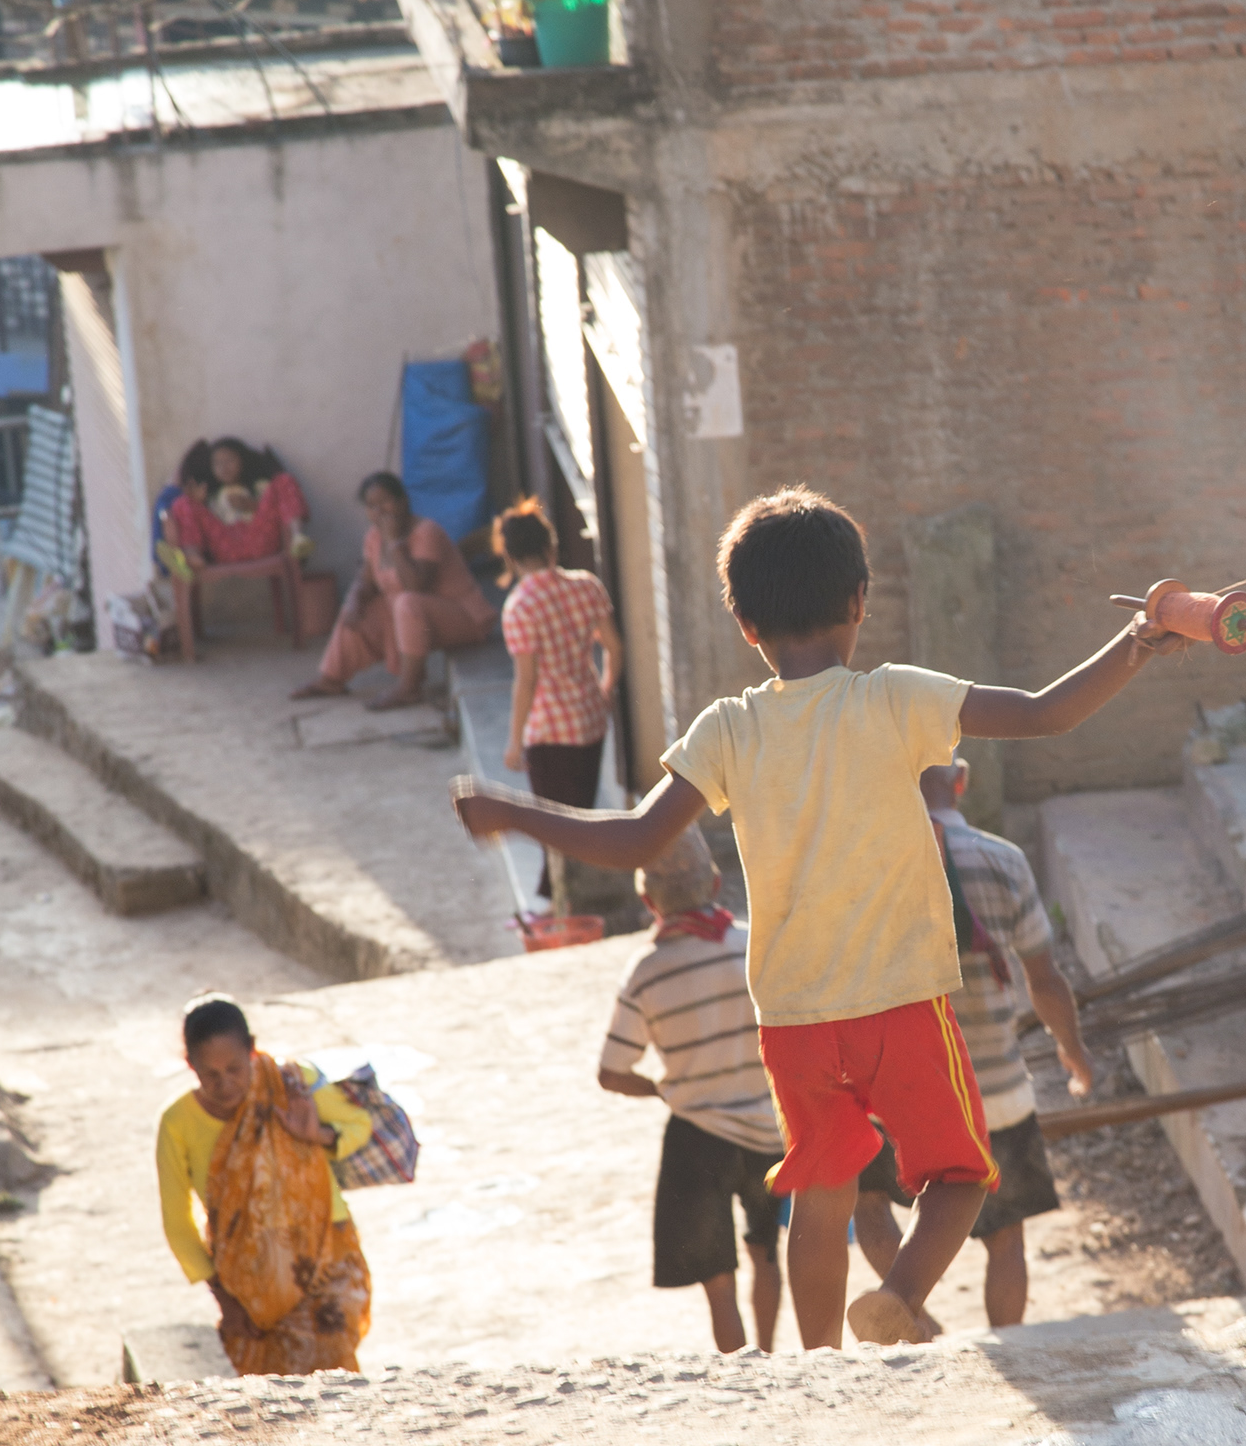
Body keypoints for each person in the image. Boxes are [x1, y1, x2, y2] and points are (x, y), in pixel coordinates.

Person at [452, 483, 1183, 1351]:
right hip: (902, 1003)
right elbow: (1044, 713)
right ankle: (900, 1294)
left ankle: (818, 1364)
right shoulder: (895, 699)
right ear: (860, 603)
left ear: (746, 627)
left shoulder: (728, 728)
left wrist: (514, 812)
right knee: (960, 1175)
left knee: (821, 1188)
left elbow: (637, 837)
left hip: (795, 1019)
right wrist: (1140, 639)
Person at [855, 758, 1092, 1329]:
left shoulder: (873, 864)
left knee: (869, 1205)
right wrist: (1074, 1052)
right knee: (1005, 1236)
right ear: (960, 782)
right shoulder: (1004, 860)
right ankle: (1007, 1340)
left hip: (899, 1090)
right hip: (996, 1091)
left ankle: (916, 1319)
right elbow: (1044, 979)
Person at [596, 824, 784, 1354]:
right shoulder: (754, 947)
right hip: (771, 1127)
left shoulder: (646, 973)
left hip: (696, 1137)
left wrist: (661, 1089)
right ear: (717, 881)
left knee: (716, 1283)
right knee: (766, 1254)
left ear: (646, 899)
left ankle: (740, 1373)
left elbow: (611, 1072)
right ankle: (770, 1355)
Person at [156, 993, 374, 1376]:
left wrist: (317, 1133)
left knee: (333, 1364)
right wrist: (225, 1299)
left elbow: (360, 1126)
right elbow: (178, 1223)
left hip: (327, 1252)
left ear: (253, 1050)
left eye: (235, 1069)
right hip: (247, 1280)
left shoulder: (291, 1085)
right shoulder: (178, 1123)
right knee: (268, 1387)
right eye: (211, 1074)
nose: (225, 1084)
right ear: (190, 1065)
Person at [495, 497, 625, 905]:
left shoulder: (519, 606)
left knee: (556, 832)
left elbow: (526, 681)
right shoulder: (587, 585)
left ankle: (565, 909)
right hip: (589, 719)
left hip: (550, 731)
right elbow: (614, 649)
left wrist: (515, 741)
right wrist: (605, 690)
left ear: (512, 558)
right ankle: (575, 902)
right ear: (551, 547)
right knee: (582, 819)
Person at [293, 471, 494, 709]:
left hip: (464, 618)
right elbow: (366, 580)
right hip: (418, 620)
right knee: (360, 608)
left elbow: (417, 586)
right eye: (371, 506)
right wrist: (354, 600)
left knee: (407, 602)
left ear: (403, 501)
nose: (380, 511)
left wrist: (396, 542)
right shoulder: (373, 537)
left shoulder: (426, 532)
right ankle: (331, 679)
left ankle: (409, 688)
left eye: (385, 502)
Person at [161, 437, 310, 569]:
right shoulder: (212, 495)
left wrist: (253, 505)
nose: (224, 467)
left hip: (259, 540)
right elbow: (207, 525)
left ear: (242, 460)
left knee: (284, 480)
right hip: (226, 546)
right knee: (182, 503)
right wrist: (199, 503)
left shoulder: (260, 486)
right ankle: (191, 555)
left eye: (230, 460)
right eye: (217, 463)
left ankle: (297, 536)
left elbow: (275, 510)